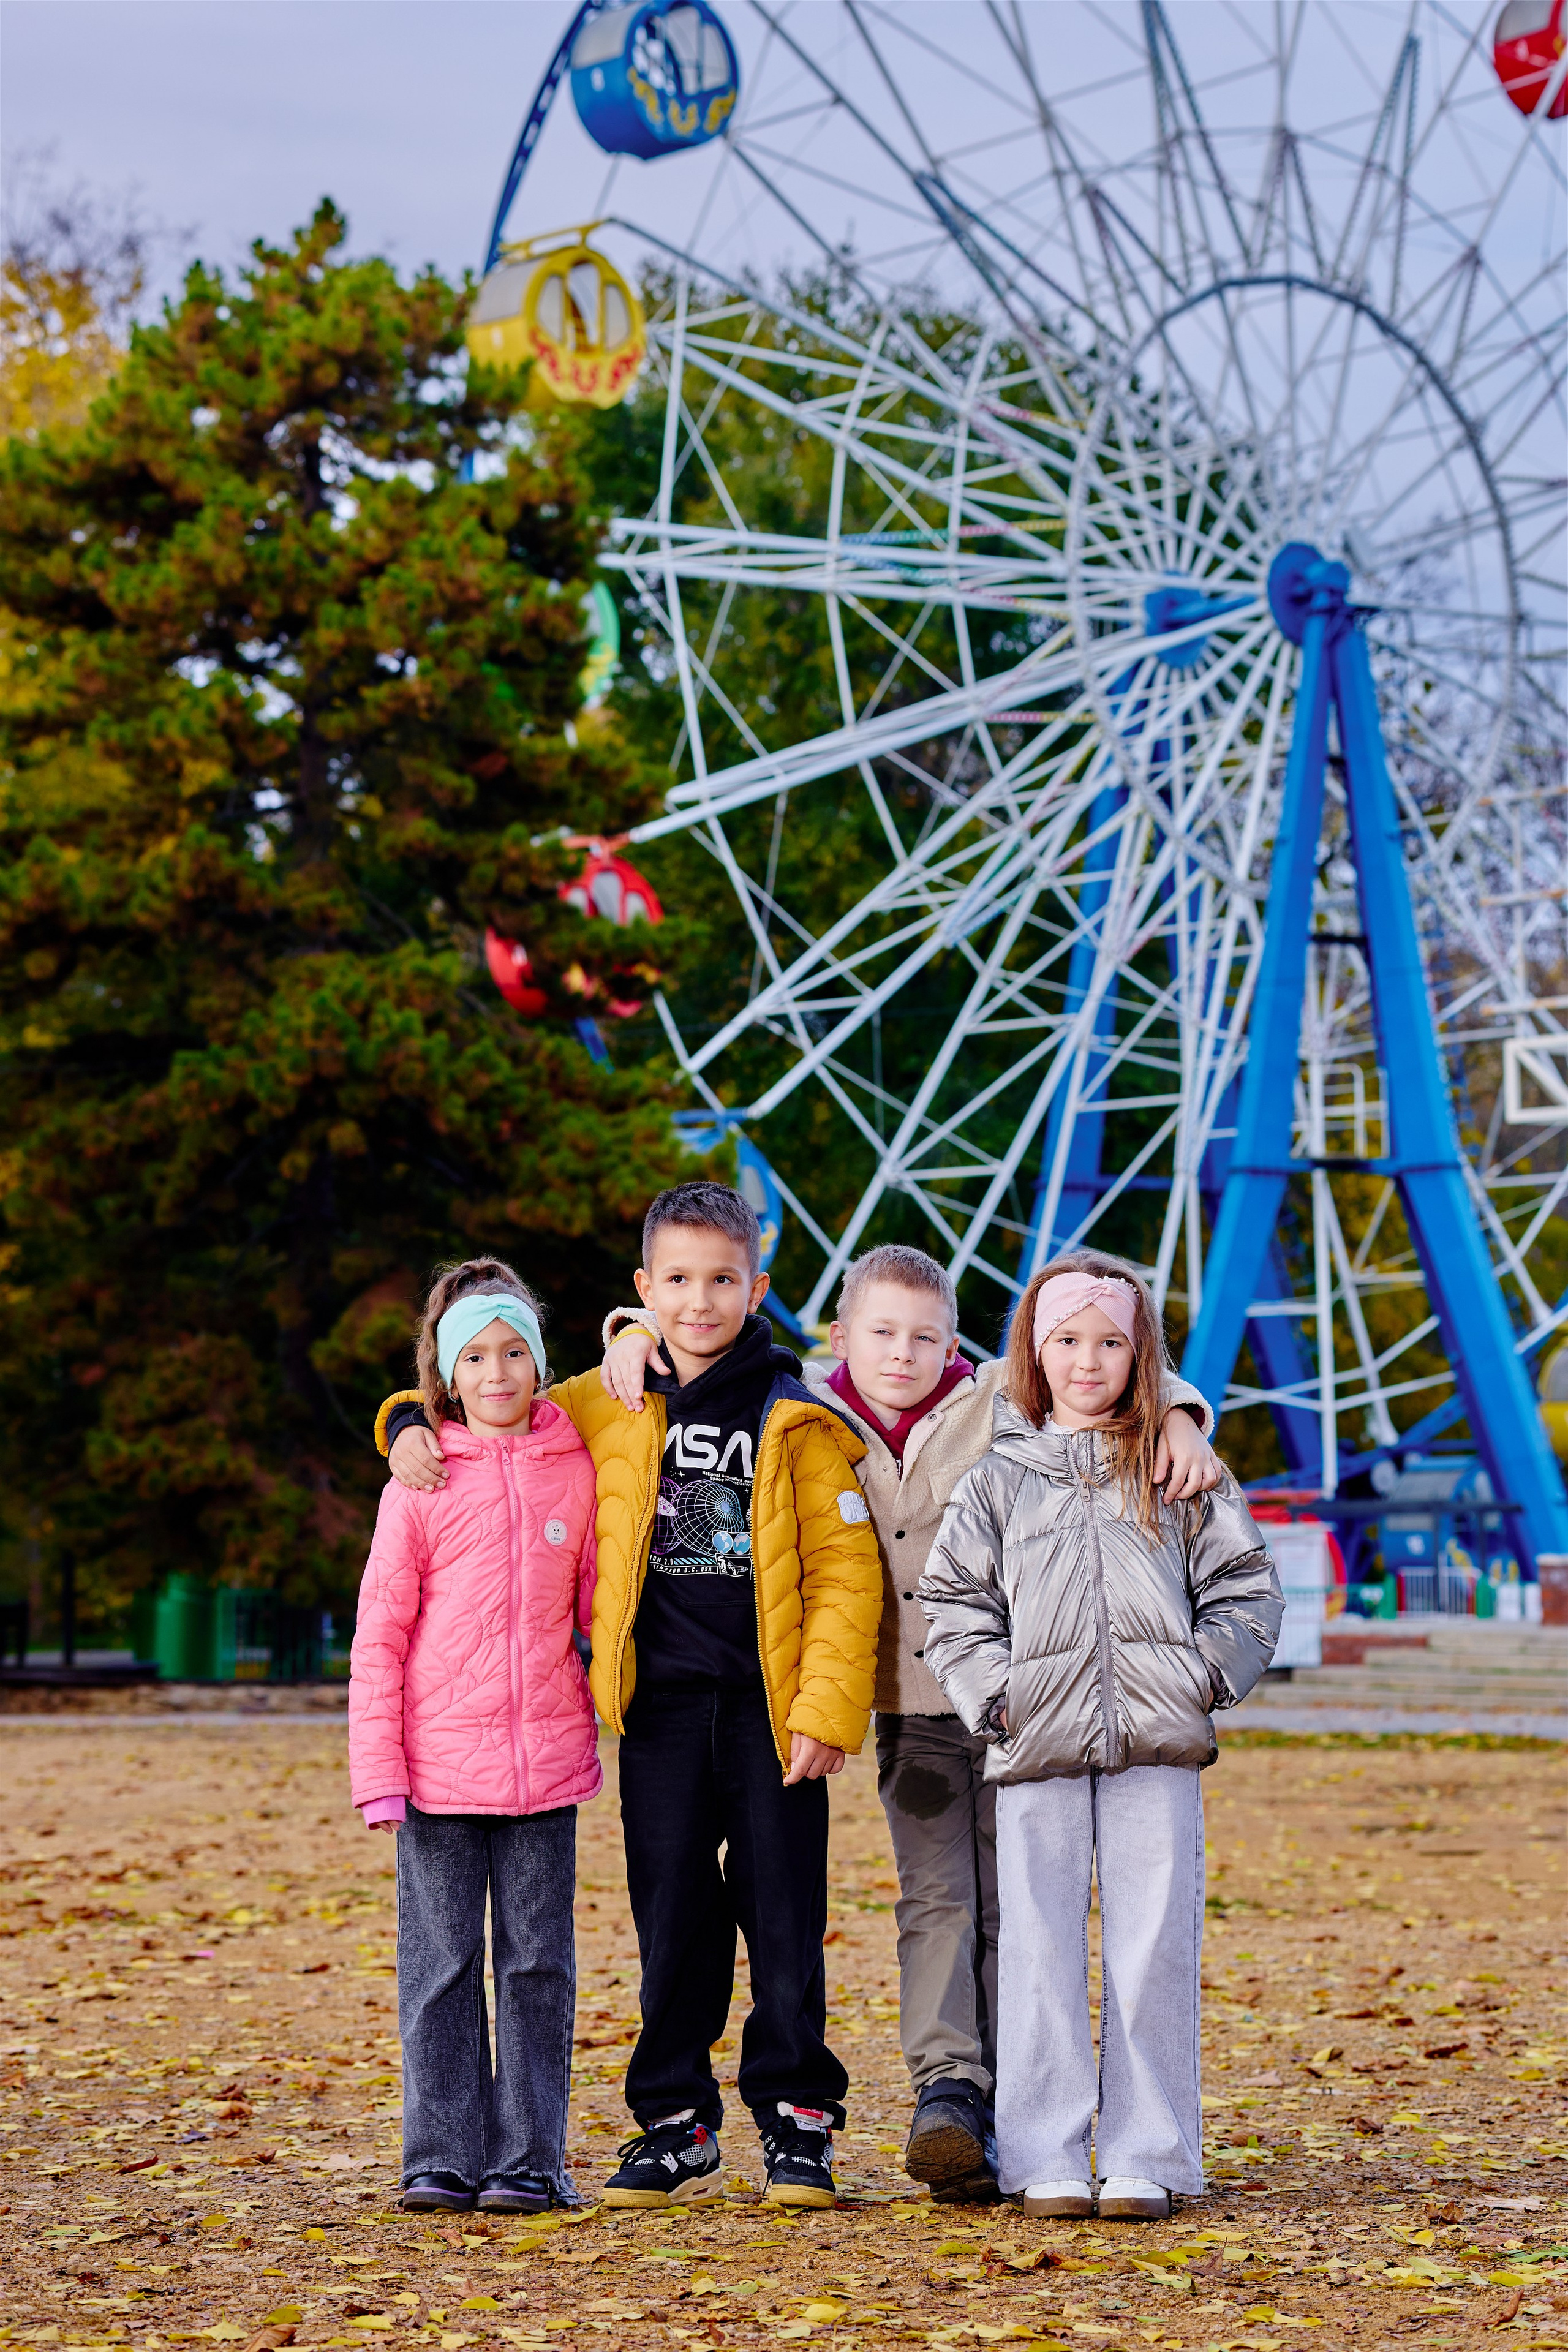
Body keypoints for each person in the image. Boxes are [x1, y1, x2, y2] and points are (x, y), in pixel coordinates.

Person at [600, 1242, 1222, 2204]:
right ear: (843, 1337)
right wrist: (632, 1334)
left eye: (926, 1337)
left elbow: (1091, 1355)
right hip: (913, 1705)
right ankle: (950, 2086)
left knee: (1026, 1903)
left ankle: (1023, 2101)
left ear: (956, 1344)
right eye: (882, 1334)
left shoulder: (996, 1404)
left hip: (1030, 1697)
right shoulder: (800, 1406)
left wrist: (1182, 1409)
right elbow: (706, 1350)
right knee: (939, 1898)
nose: (903, 1353)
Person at [375, 1182, 883, 2211]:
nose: (701, 1302)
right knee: (674, 1917)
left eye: (724, 1280)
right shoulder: (601, 1401)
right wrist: (398, 1426)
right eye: (679, 1282)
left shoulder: (798, 1412)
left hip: (771, 1711)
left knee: (785, 1919)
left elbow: (844, 1571)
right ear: (646, 1288)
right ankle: (675, 2119)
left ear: (758, 1288)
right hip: (657, 1712)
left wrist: (827, 1712)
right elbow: (484, 1409)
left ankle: (795, 2119)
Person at [920, 1254, 1281, 2223]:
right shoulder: (996, 1482)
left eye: (1112, 1342)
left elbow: (1247, 1593)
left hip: (1156, 1747)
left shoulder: (1178, 1471)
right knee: (1036, 1943)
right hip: (1036, 1744)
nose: (1089, 1361)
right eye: (1068, 1340)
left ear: (1141, 1355)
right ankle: (1043, 2154)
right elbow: (954, 1608)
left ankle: (1147, 2154)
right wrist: (1000, 1701)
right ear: (1036, 1353)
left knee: (1154, 1944)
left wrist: (1198, 1679)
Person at [349, 1258, 600, 2217]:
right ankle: (441, 2154)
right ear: (447, 1377)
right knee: (440, 1965)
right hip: (437, 1773)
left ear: (539, 1363)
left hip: (545, 1768)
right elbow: (381, 1636)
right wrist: (380, 1774)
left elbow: (597, 1604)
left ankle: (529, 2159)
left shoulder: (575, 1469)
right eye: (476, 1357)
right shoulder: (418, 1483)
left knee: (537, 1966)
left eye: (514, 1353)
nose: (497, 1373)